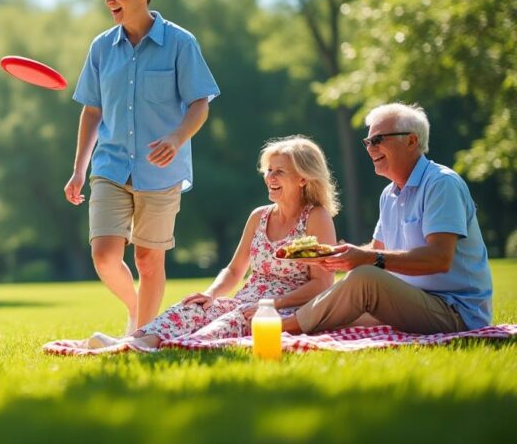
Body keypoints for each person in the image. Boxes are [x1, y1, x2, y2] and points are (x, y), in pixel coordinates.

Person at [64, 0, 221, 336]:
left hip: (161, 169)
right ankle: (141, 317)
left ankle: (143, 337)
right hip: (111, 165)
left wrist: (177, 136)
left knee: (149, 260)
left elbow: (200, 102)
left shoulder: (181, 43)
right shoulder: (101, 47)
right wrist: (78, 170)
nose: (110, 0)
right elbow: (92, 112)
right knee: (104, 256)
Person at [87, 136, 338, 349]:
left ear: (303, 179)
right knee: (191, 309)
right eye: (269, 170)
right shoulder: (259, 216)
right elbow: (234, 270)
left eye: (279, 171)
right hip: (246, 301)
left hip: (285, 310)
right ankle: (131, 342)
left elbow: (322, 283)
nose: (270, 177)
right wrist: (210, 295)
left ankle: (166, 348)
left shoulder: (316, 217)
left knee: (226, 323)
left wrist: (271, 303)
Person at [282, 103, 494, 335]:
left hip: (456, 313)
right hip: (413, 302)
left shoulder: (442, 184)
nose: (370, 148)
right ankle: (291, 322)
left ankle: (281, 328)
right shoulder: (389, 194)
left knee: (365, 278)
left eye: (379, 139)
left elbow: (439, 258)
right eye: (368, 141)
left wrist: (367, 258)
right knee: (335, 314)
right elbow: (377, 250)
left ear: (411, 141)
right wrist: (334, 255)